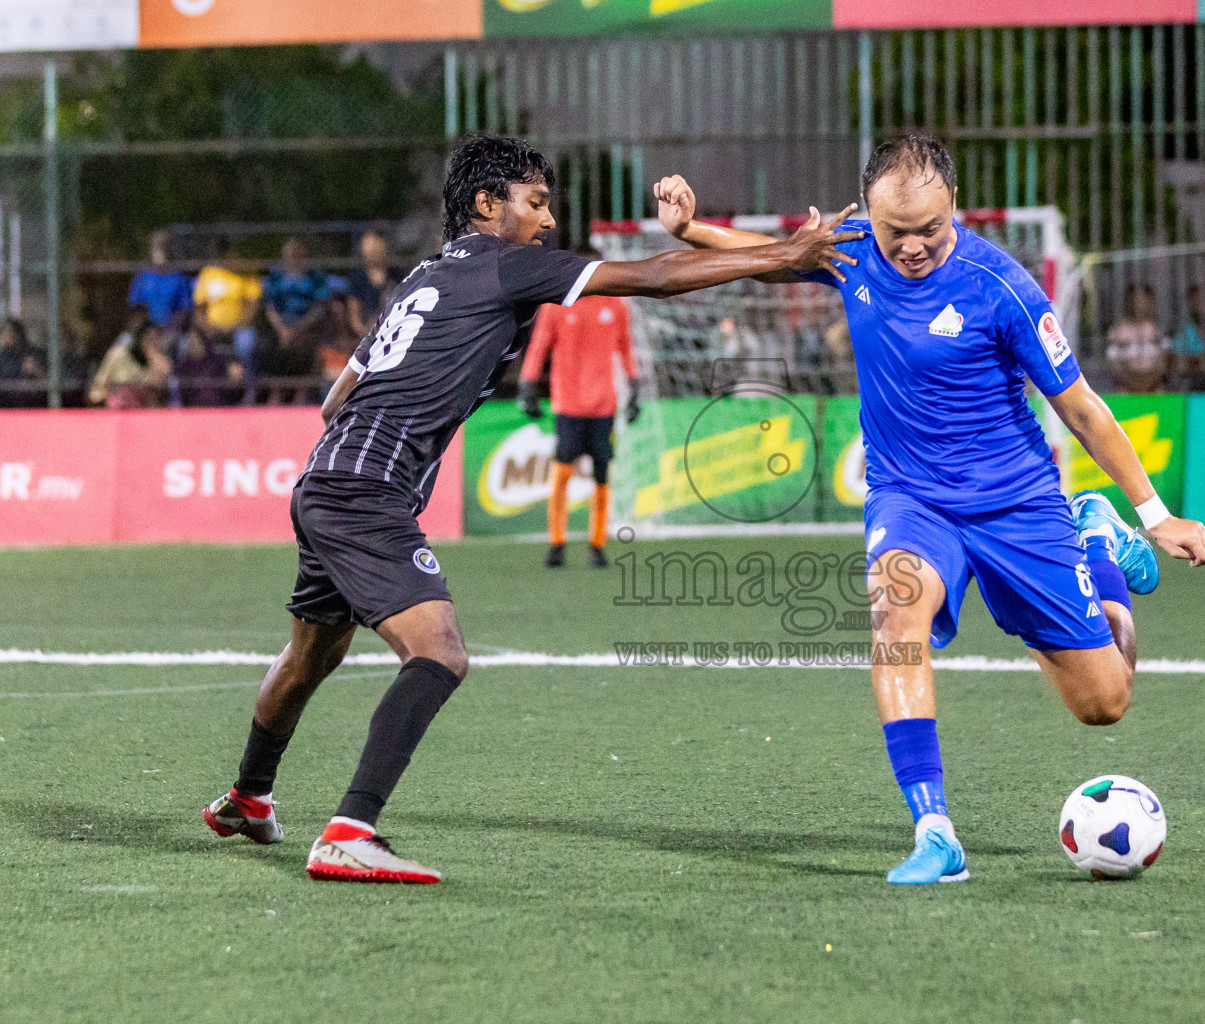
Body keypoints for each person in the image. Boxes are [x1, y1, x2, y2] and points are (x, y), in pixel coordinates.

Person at [200, 133, 859, 884]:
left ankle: (249, 798)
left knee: (312, 654)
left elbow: (332, 401)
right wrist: (781, 256)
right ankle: (350, 830)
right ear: (488, 205)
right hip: (368, 489)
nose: (548, 222)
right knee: (439, 652)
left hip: (326, 477)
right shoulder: (505, 264)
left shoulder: (420, 278)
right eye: (536, 203)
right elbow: (657, 276)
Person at [654, 134, 1205, 886]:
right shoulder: (848, 251)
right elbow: (768, 252)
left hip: (1017, 503)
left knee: (1105, 704)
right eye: (897, 232)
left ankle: (1098, 537)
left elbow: (1080, 406)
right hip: (911, 499)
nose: (914, 247)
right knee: (894, 615)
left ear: (954, 207)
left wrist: (1154, 515)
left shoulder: (1002, 285)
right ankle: (934, 830)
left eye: (931, 230)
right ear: (868, 217)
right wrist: (690, 229)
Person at [517, 255, 639, 569]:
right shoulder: (556, 306)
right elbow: (539, 345)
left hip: (603, 407)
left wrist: (635, 387)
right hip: (568, 405)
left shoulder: (615, 307)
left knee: (601, 475)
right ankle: (557, 542)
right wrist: (527, 383)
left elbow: (626, 349)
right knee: (562, 473)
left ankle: (597, 544)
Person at [259, 237, 331, 404]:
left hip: (307, 327)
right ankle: (277, 391)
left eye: (295, 255)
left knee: (306, 346)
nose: (291, 259)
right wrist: (282, 329)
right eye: (287, 255)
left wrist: (297, 329)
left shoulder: (315, 276)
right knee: (267, 345)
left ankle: (301, 391)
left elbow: (320, 308)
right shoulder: (276, 275)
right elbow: (269, 306)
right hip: (280, 328)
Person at [193, 238, 262, 402]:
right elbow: (199, 309)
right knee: (191, 347)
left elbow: (253, 305)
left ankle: (250, 395)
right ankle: (202, 396)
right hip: (212, 330)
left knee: (246, 344)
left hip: (240, 328)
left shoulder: (245, 272)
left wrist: (238, 326)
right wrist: (209, 329)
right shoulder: (208, 274)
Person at [88, 306, 171, 409]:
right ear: (138, 338)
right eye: (147, 339)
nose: (150, 343)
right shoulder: (118, 354)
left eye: (154, 339)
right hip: (118, 414)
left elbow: (163, 386)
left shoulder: (159, 360)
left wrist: (151, 354)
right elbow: (97, 390)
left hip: (146, 415)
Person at [1103, 282, 1167, 392]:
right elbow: (1114, 364)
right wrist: (1132, 382)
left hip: (1155, 387)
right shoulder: (1117, 331)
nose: (1139, 304)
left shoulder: (1159, 330)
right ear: (1128, 302)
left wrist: (1149, 382)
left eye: (1143, 300)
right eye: (1135, 300)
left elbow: (1164, 361)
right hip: (1125, 388)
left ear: (1150, 301)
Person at [127, 230, 193, 329]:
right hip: (145, 329)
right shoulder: (143, 275)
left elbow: (185, 309)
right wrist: (147, 326)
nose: (158, 252)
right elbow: (135, 306)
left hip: (173, 330)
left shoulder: (180, 277)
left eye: (162, 247)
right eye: (155, 247)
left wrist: (171, 328)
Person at [346, 231, 400, 339]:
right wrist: (365, 334)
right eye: (368, 245)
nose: (373, 250)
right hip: (367, 334)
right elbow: (353, 313)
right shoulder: (357, 278)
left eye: (376, 243)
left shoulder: (396, 275)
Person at [1168, 283, 1205, 391]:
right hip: (1191, 377)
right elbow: (1176, 355)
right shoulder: (1185, 328)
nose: (1198, 304)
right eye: (1194, 300)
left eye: (1201, 300)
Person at [0, 318, 44, 407]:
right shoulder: (3, 354)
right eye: (6, 331)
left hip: (29, 399)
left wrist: (36, 369)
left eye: (11, 331)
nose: (8, 335)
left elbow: (46, 378)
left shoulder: (31, 351)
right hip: (6, 399)